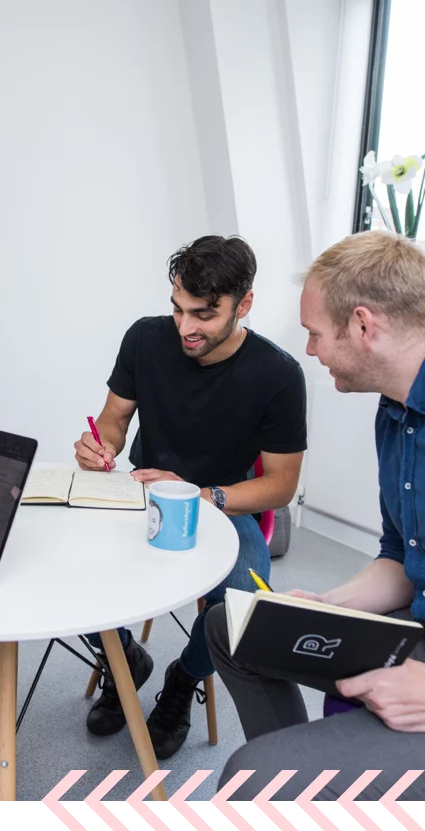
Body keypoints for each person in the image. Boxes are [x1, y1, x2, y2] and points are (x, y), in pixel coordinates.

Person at [205, 230, 425, 802]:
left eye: (314, 334)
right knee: (233, 628)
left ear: (362, 325)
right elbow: (403, 558)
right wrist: (325, 606)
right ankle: (320, 786)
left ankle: (301, 784)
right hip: (414, 628)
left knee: (250, 775)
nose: (309, 350)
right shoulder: (396, 413)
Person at [74, 235, 306, 758]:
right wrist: (99, 447)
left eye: (203, 314)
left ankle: (183, 678)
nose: (185, 328)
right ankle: (123, 659)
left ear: (243, 304)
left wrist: (201, 495)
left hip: (223, 507)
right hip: (139, 494)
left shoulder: (278, 374)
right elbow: (112, 422)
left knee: (244, 605)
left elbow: (281, 484)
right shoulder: (144, 339)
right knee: (65, 565)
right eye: (177, 310)